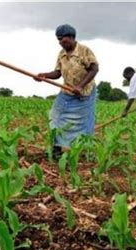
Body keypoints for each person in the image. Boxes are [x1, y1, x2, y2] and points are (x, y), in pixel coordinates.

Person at [35, 24, 99, 159]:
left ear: (71, 37)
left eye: (63, 40)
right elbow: (58, 73)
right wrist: (44, 75)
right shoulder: (61, 54)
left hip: (84, 94)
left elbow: (94, 69)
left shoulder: (84, 51)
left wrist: (80, 86)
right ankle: (57, 148)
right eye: (58, 40)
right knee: (55, 116)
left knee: (84, 123)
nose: (60, 43)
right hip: (67, 91)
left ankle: (86, 151)